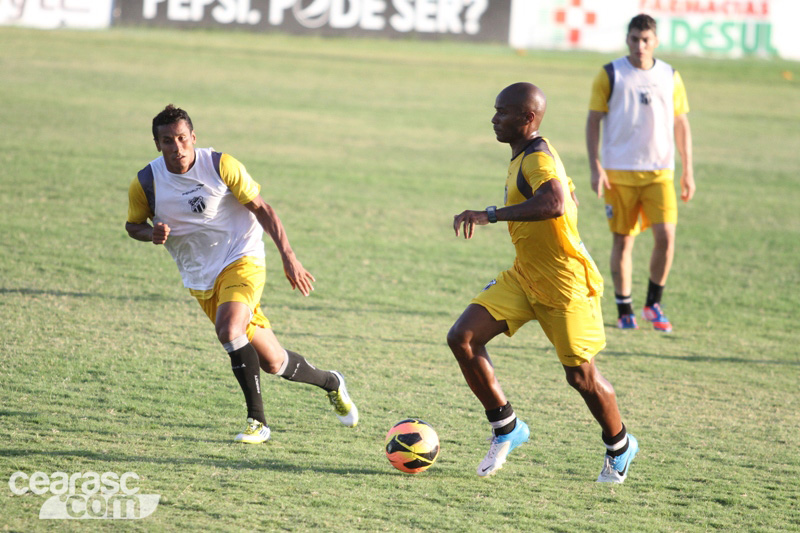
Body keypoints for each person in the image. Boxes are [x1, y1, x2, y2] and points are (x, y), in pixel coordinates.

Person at [125, 105, 358, 443]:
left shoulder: (220, 165)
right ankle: (332, 382)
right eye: (167, 142)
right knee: (274, 362)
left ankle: (257, 422)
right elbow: (133, 225)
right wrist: (151, 234)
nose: (177, 148)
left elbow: (263, 208)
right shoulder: (147, 182)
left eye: (181, 139)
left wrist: (288, 257)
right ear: (156, 145)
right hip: (201, 277)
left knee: (229, 328)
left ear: (193, 137)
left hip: (242, 256)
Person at [448, 83, 638, 482]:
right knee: (463, 337)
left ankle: (620, 444)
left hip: (565, 287)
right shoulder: (527, 153)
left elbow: (554, 201)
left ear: (527, 119)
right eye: (495, 110)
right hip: (524, 277)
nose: (494, 118)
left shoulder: (536, 158)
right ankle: (507, 428)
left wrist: (490, 214)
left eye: (503, 112)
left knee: (581, 376)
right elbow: (563, 193)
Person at [586, 13, 695, 332]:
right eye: (634, 39)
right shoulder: (610, 74)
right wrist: (595, 165)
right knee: (623, 240)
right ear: (627, 39)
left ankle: (653, 304)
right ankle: (625, 309)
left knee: (667, 236)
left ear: (656, 42)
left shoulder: (670, 75)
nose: (640, 45)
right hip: (619, 172)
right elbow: (594, 120)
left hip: (660, 171)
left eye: (646, 40)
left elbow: (681, 123)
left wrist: (688, 170)